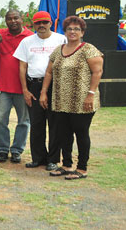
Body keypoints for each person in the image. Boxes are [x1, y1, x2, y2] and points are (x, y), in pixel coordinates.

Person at [40, 16, 103, 180]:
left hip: (82, 101)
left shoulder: (88, 49)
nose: (73, 31)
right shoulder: (58, 50)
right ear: (65, 32)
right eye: (69, 29)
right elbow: (48, 72)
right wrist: (43, 92)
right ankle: (66, 165)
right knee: (64, 134)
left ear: (82, 32)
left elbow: (97, 72)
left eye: (76, 29)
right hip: (61, 101)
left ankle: (82, 168)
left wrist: (91, 94)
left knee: (81, 134)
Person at [13, 11, 65, 171]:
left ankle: (53, 159)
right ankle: (38, 158)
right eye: (38, 23)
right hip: (33, 85)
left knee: (55, 124)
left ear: (51, 23)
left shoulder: (61, 40)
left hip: (55, 86)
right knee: (36, 124)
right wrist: (25, 90)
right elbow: (22, 67)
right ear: (33, 25)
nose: (41, 25)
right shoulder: (27, 42)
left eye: (45, 22)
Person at [0, 10, 34, 163]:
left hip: (23, 88)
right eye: (9, 19)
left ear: (21, 19)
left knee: (23, 121)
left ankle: (17, 150)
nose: (13, 21)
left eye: (16, 18)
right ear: (5, 21)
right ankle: (3, 149)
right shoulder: (1, 34)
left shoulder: (30, 36)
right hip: (3, 87)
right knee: (0, 120)